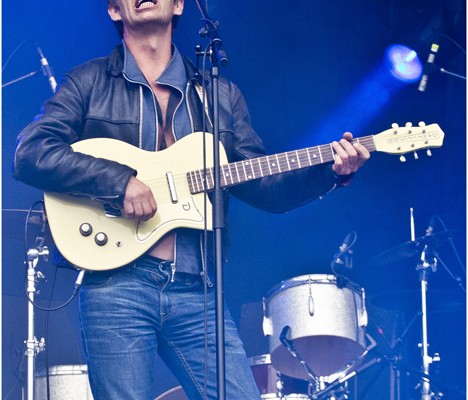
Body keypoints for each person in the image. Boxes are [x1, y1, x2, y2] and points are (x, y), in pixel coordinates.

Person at [13, 0, 370, 399]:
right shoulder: (88, 82)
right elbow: (31, 153)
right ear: (115, 11)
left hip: (197, 288)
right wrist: (119, 182)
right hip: (116, 286)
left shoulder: (219, 96)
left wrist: (329, 173)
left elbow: (263, 188)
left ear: (179, 4)